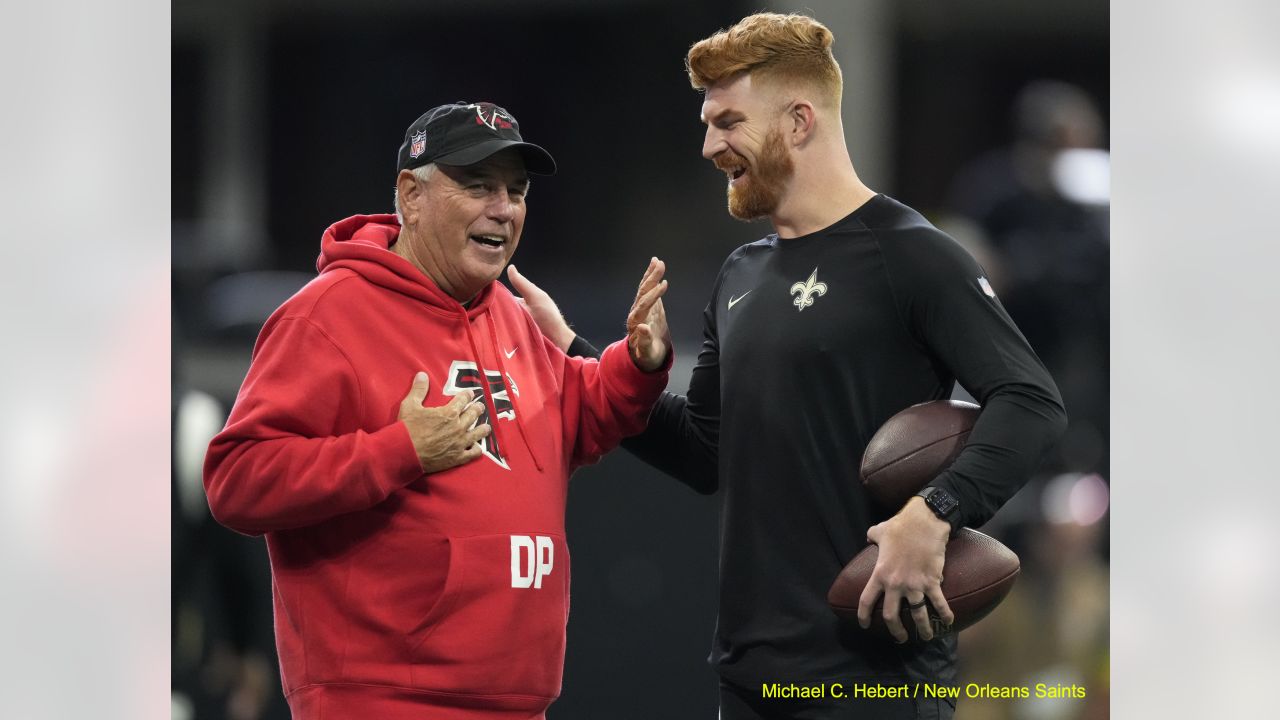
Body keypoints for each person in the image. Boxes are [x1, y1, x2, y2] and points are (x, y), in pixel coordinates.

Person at [512, 13, 1067, 720]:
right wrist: (587, 357)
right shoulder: (741, 273)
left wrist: (934, 514)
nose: (710, 145)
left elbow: (1031, 401)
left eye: (729, 121)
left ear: (800, 121)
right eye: (708, 123)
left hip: (874, 679)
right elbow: (705, 453)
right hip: (750, 676)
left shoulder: (911, 255)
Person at [203, 101, 672, 720]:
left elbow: (570, 421)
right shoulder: (327, 315)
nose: (503, 209)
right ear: (411, 195)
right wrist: (399, 449)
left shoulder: (504, 310)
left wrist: (636, 367)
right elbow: (237, 480)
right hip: (384, 697)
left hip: (514, 696)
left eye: (516, 190)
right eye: (478, 186)